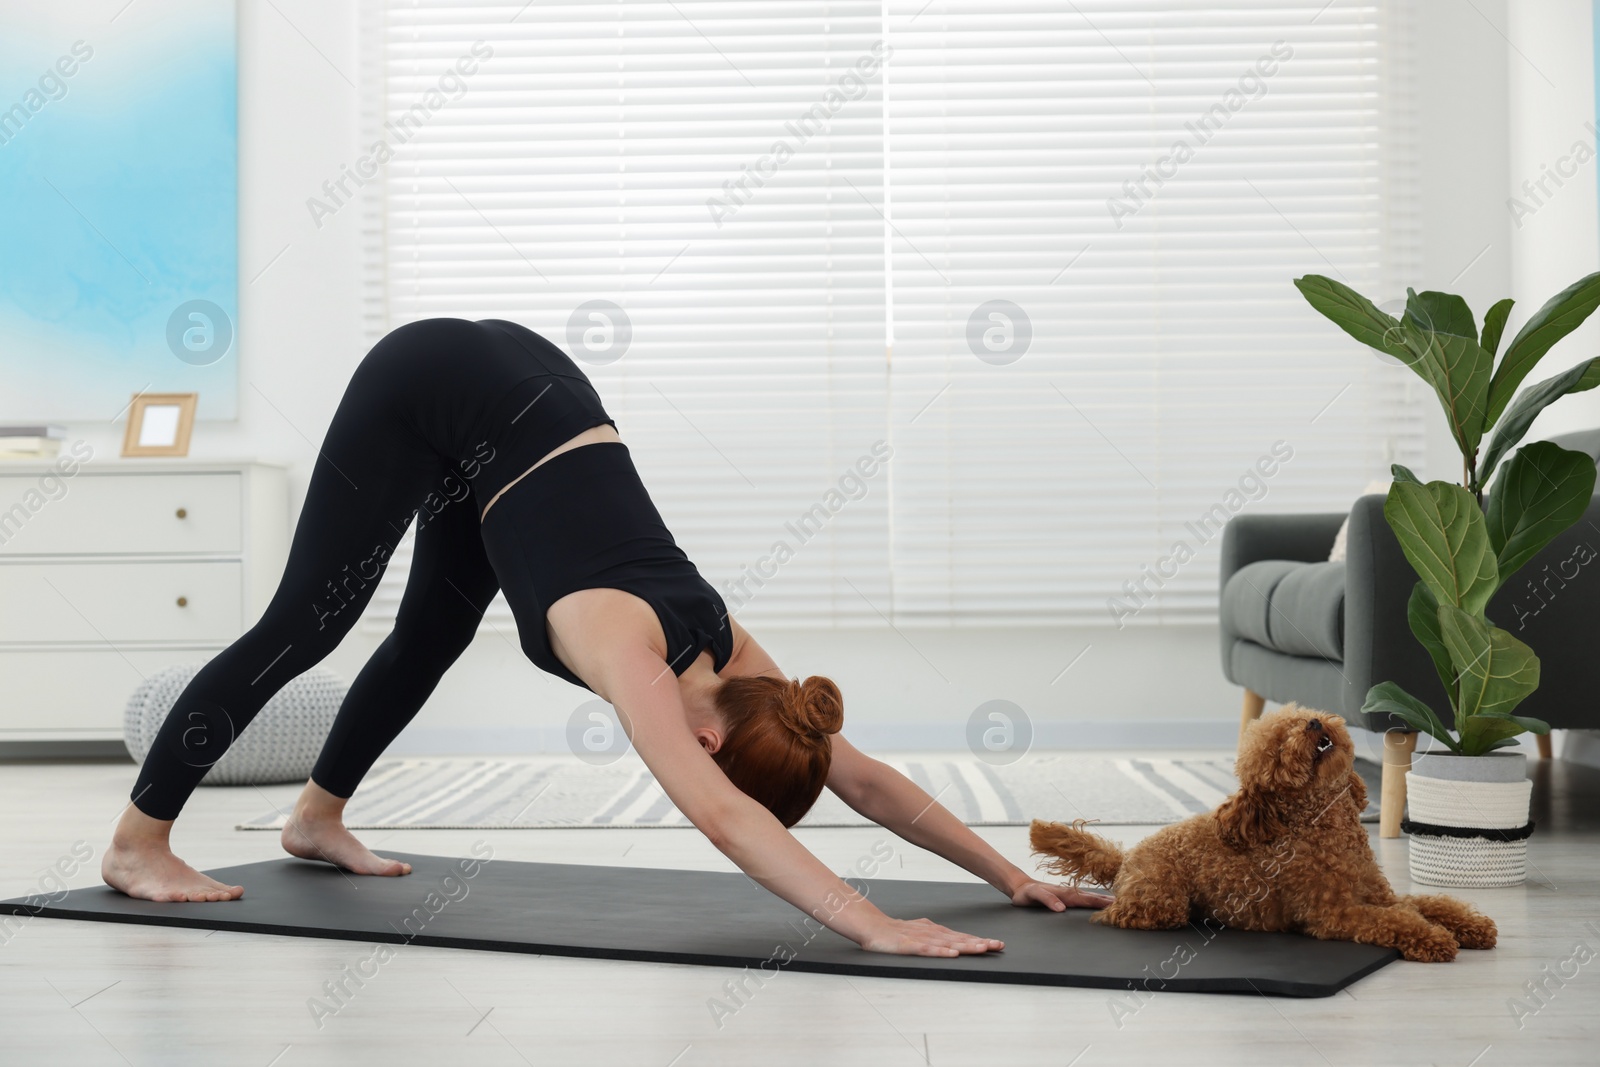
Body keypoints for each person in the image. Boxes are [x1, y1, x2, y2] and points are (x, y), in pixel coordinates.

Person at [102, 317, 1108, 956]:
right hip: (437, 379)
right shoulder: (640, 657)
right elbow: (723, 818)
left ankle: (315, 818)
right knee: (305, 623)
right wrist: (872, 923)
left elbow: (863, 775)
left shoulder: (746, 668)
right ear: (712, 742)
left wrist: (1004, 871)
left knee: (428, 635)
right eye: (717, 768)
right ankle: (137, 843)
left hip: (532, 399)